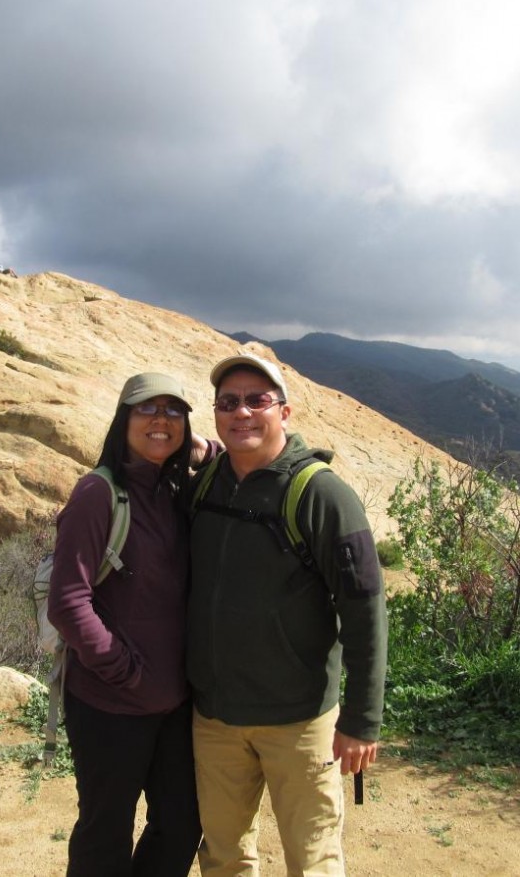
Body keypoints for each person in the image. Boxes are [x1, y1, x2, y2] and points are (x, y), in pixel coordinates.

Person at [187, 353, 388, 877]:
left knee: (313, 859)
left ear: (285, 411)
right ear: (216, 414)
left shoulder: (322, 494)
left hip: (298, 721)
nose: (243, 413)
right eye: (229, 403)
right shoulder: (207, 484)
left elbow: (365, 610)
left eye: (257, 400)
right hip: (216, 718)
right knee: (225, 856)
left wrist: (362, 721)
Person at [47, 372, 204, 877]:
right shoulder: (98, 494)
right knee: (105, 832)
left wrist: (198, 446)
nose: (161, 420)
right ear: (123, 420)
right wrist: (120, 667)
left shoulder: (175, 490)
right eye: (147, 410)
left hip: (174, 705)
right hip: (111, 703)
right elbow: (68, 601)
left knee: (182, 824)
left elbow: (232, 453)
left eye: (173, 411)